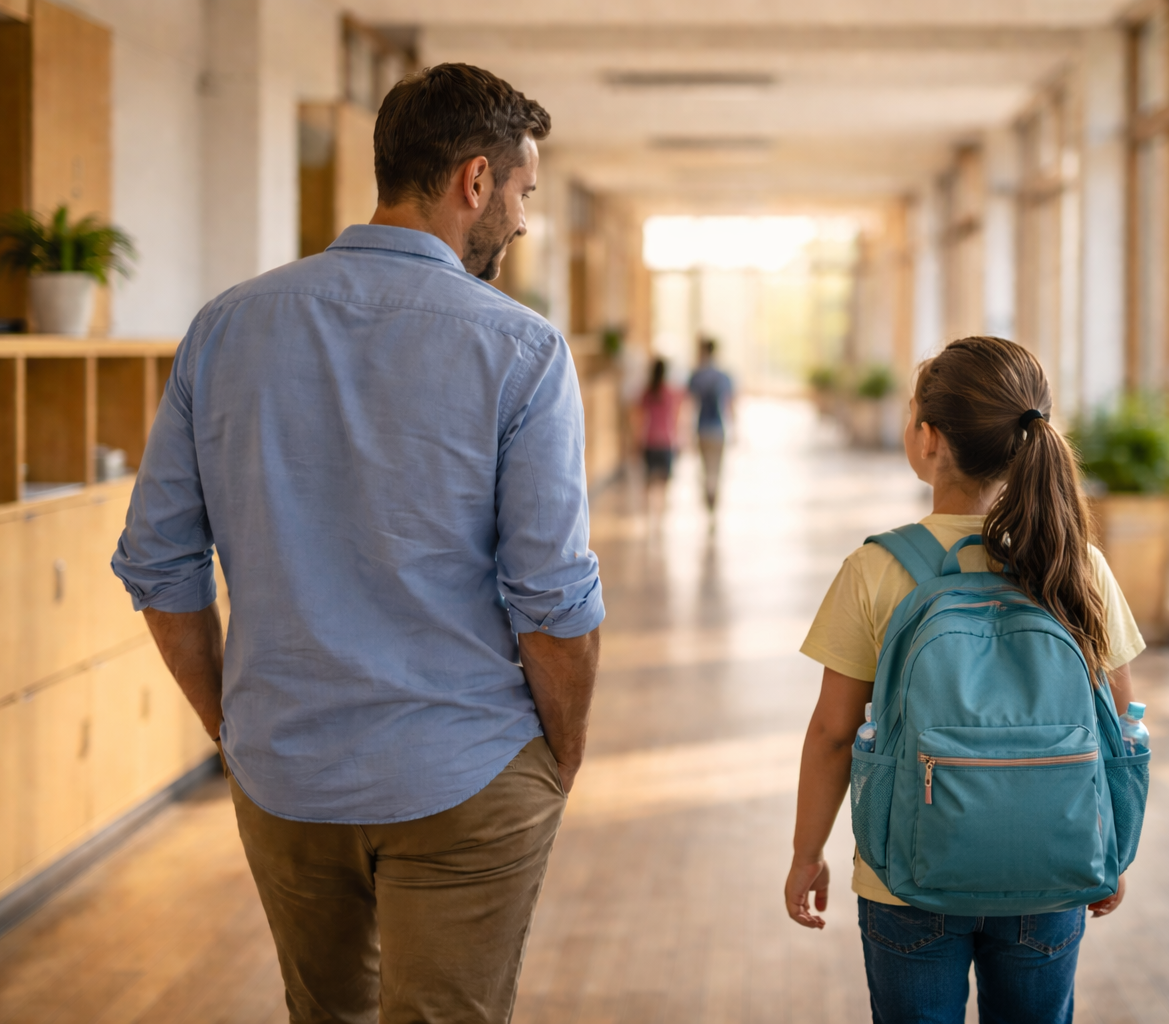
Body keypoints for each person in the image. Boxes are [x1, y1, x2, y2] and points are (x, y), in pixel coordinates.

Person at [111, 64, 603, 1024]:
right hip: (464, 771)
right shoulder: (522, 350)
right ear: (475, 181)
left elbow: (158, 564)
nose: (523, 219)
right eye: (522, 192)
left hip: (285, 770)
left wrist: (236, 726)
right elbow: (551, 592)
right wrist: (562, 756)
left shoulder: (225, 328)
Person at [784, 336, 1146, 1024]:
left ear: (928, 439)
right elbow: (1117, 723)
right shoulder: (1078, 565)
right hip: (1051, 866)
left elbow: (834, 734)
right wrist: (1110, 847)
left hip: (907, 878)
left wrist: (808, 852)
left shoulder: (877, 570)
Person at [686, 336, 735, 511]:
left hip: (702, 428)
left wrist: (686, 432)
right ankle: (713, 495)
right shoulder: (724, 376)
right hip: (718, 429)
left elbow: (690, 406)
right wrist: (735, 429)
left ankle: (708, 493)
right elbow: (730, 405)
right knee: (716, 469)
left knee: (705, 468)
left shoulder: (696, 376)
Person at [634, 357, 683, 518]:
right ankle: (660, 515)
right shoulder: (670, 393)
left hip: (649, 440)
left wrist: (637, 439)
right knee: (664, 483)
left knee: (649, 481)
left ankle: (648, 514)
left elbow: (640, 418)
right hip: (666, 441)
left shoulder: (647, 392)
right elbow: (675, 419)